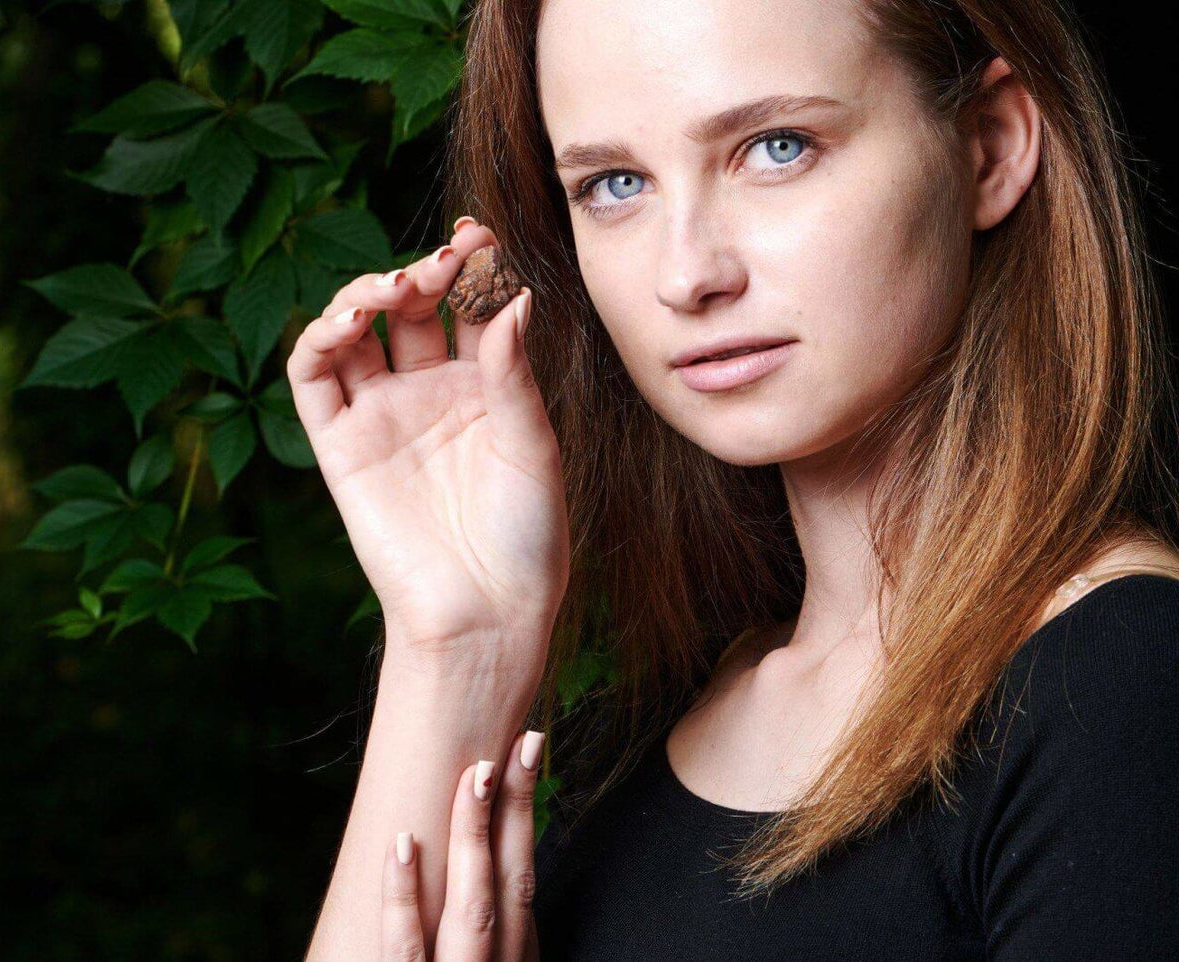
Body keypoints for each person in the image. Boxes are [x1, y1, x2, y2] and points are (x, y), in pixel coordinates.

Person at [290, 0, 1179, 958]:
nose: (685, 275)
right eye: (614, 184)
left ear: (989, 145)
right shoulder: (663, 714)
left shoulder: (1120, 681)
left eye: (776, 148)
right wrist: (458, 643)